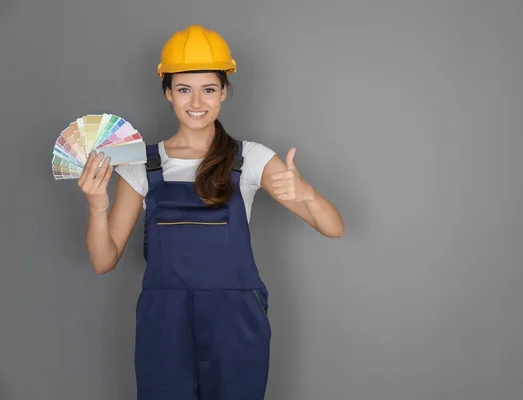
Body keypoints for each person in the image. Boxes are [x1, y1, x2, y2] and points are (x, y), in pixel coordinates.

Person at [76, 24, 344, 400]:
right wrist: (96, 204)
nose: (196, 102)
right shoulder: (140, 164)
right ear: (168, 92)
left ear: (224, 93)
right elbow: (104, 260)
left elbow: (333, 227)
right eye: (184, 89)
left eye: (209, 89)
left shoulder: (250, 158)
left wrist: (307, 193)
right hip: (163, 320)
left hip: (235, 319)